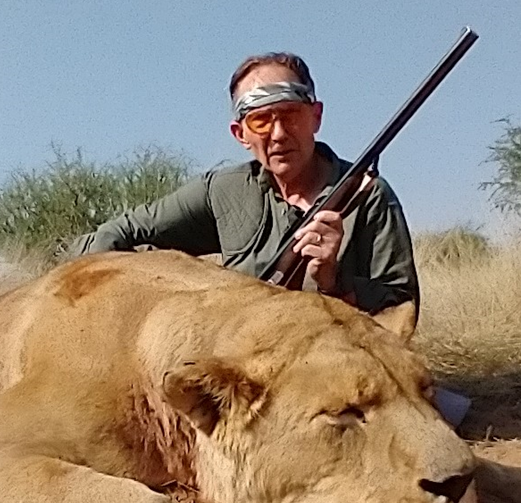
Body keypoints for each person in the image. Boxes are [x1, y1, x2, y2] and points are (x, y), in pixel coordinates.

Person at [66, 52, 419, 317]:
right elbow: (116, 234)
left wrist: (335, 283)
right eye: (262, 121)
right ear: (241, 134)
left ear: (316, 117)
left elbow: (401, 311)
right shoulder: (221, 190)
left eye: (291, 116)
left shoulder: (369, 195)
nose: (279, 134)